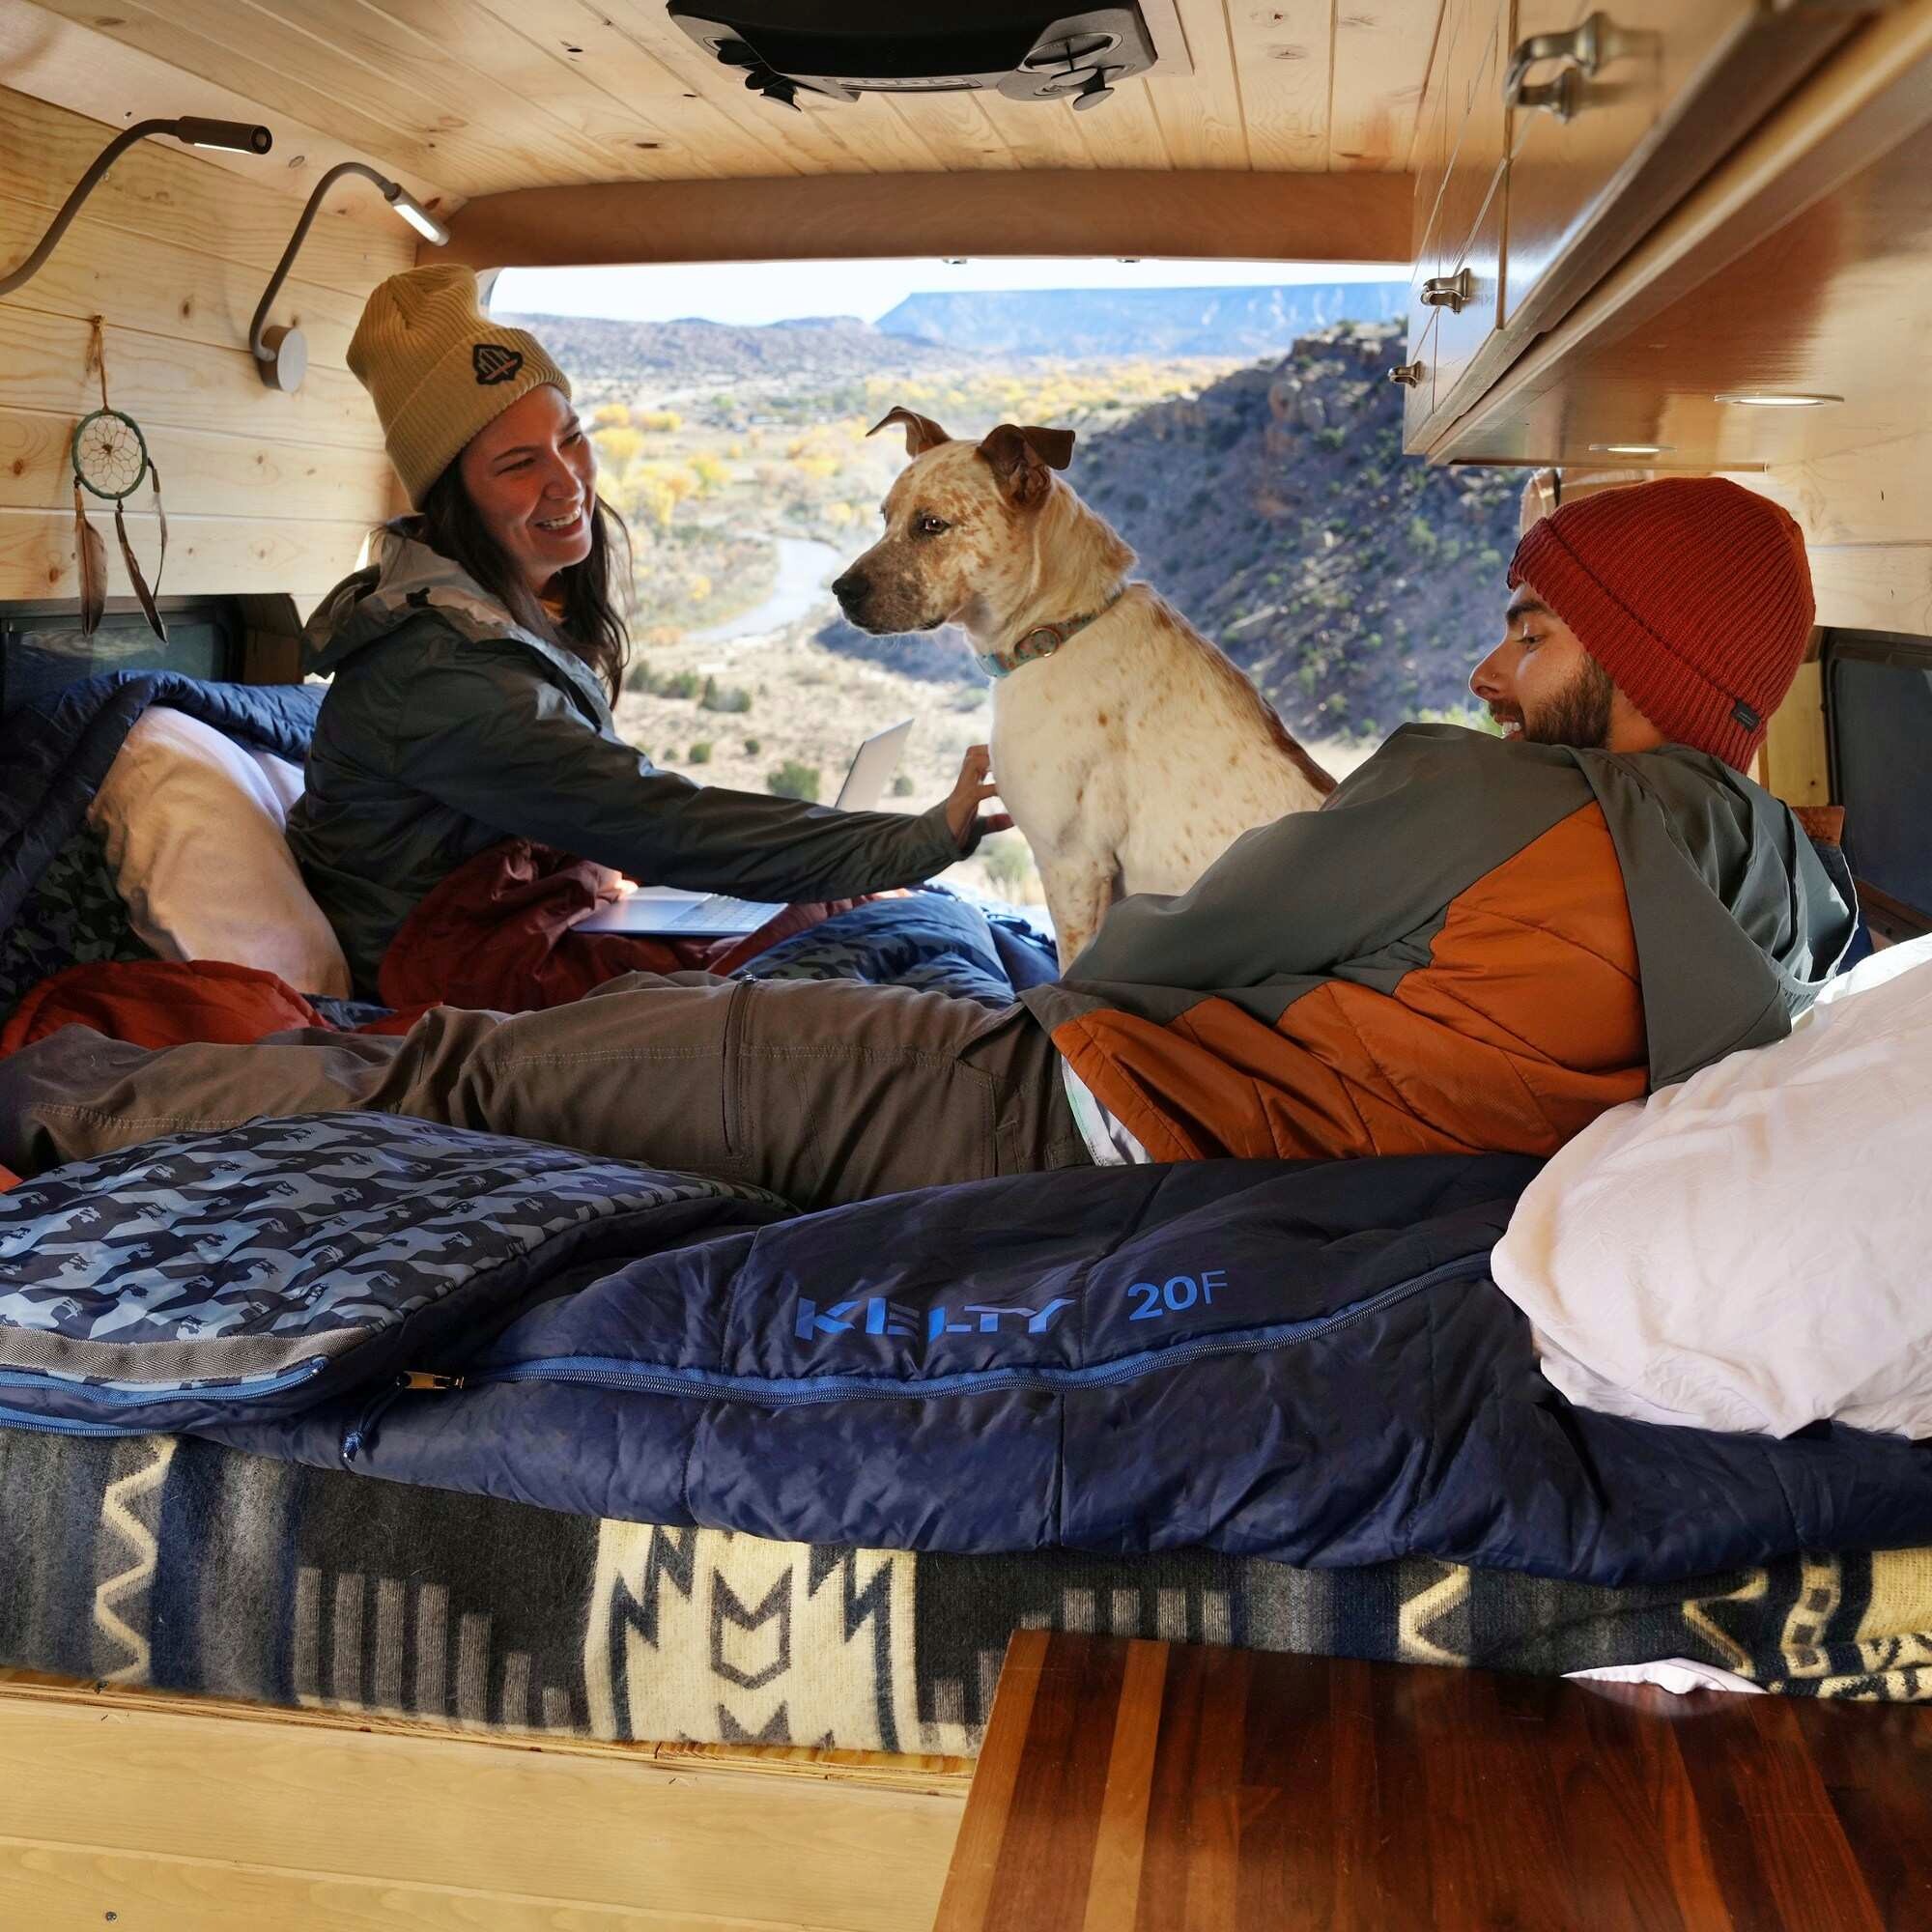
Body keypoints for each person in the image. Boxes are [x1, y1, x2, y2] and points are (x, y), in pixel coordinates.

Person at [1, 476, 1855, 1207]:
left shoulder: (1507, 800)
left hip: (1053, 1111)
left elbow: (1175, 946)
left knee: (474, 1072)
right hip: (1184, 1150)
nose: (1485, 665)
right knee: (631, 1040)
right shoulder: (1787, 905)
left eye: (1533, 630)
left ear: (1644, 661)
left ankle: (54, 1109)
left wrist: (1045, 969)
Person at [282, 265, 1002, 998]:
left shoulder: (501, 613)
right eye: (519, 464)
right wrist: (916, 839)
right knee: (865, 940)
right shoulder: (438, 672)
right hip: (455, 969)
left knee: (876, 917)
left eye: (571, 438)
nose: (568, 482)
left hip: (526, 921)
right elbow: (659, 824)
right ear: (453, 497)